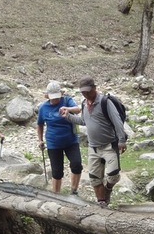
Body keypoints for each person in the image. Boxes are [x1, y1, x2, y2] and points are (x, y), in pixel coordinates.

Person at [60, 76, 127, 207]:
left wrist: (122, 140)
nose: (86, 94)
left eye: (88, 91)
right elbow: (84, 121)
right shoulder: (84, 104)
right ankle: (102, 204)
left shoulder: (105, 102)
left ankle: (108, 189)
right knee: (95, 179)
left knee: (113, 176)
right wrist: (67, 117)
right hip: (93, 148)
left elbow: (117, 121)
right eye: (83, 92)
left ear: (94, 88)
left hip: (109, 145)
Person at [37, 81, 83, 195]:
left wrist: (67, 109)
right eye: (52, 98)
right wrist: (40, 140)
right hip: (53, 143)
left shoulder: (67, 100)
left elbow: (78, 109)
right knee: (57, 172)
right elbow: (40, 124)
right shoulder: (43, 107)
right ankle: (56, 195)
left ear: (61, 94)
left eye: (57, 97)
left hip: (71, 140)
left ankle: (74, 191)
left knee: (77, 165)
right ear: (47, 96)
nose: (55, 100)